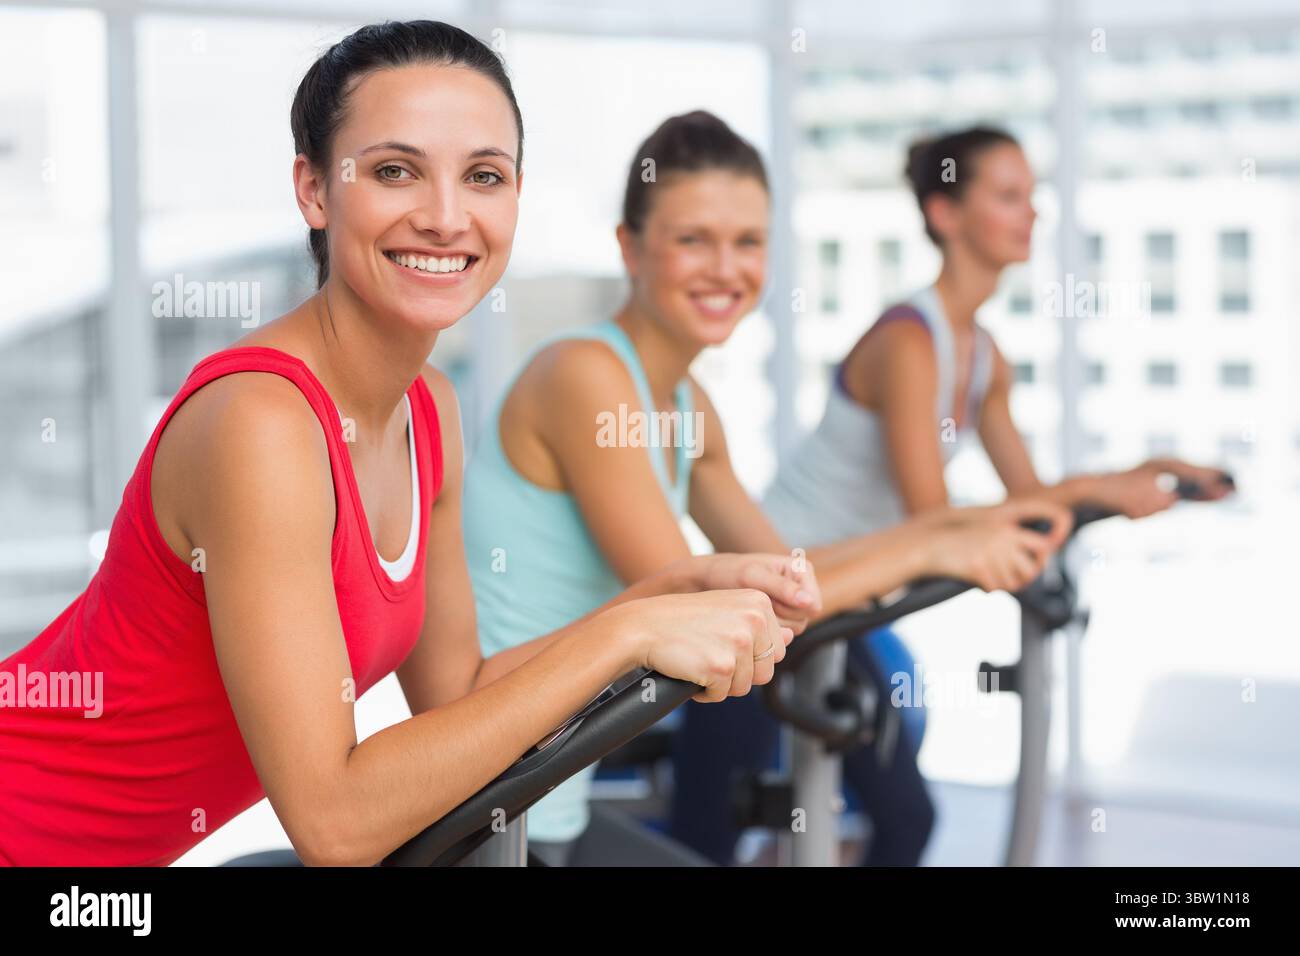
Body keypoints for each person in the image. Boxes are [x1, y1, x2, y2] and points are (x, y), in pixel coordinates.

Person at [0, 21, 806, 868]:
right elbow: (334, 823)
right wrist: (623, 637)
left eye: (484, 177)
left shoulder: (431, 410)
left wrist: (673, 588)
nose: (446, 217)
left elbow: (460, 693)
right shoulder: (262, 424)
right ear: (315, 190)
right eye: (395, 171)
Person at [462, 110, 1071, 866]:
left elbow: (787, 575)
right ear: (631, 248)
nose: (726, 268)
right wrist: (938, 543)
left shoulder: (690, 407)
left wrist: (946, 541)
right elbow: (682, 600)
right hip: (489, 814)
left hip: (554, 805)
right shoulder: (585, 377)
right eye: (694, 240)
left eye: (747, 242)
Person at [757, 125, 1233, 864]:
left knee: (903, 820)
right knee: (717, 832)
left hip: (841, 603)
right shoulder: (910, 341)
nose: (1031, 213)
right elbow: (936, 520)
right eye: (1008, 196)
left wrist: (1147, 472)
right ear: (945, 214)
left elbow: (1034, 497)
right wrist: (1101, 486)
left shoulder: (983, 356)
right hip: (769, 589)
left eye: (1031, 196)